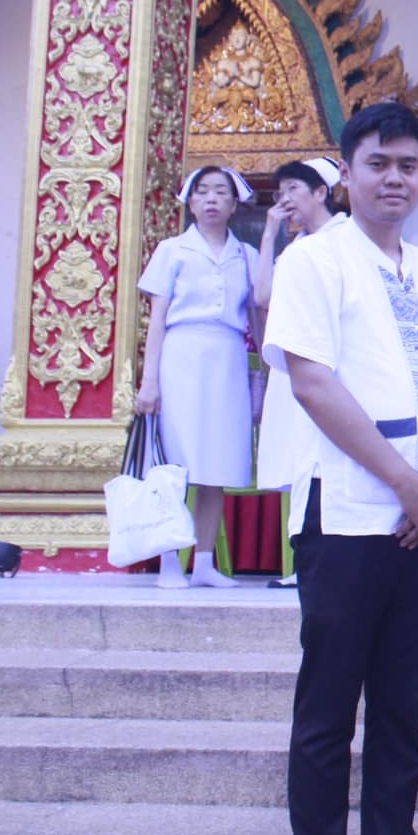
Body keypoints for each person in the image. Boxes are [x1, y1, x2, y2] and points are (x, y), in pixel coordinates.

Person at [266, 102, 418, 835]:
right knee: (329, 708)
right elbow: (313, 384)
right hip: (348, 512)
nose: (395, 177)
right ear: (346, 173)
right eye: (379, 162)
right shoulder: (314, 262)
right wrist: (405, 484)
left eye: (409, 165)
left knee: (402, 711)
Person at [134, 166, 259, 589]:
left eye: (220, 192)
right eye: (202, 192)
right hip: (182, 355)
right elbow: (157, 320)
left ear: (233, 203)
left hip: (226, 357)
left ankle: (203, 561)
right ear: (189, 202)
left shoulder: (247, 255)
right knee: (175, 461)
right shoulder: (173, 250)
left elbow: (258, 315)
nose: (211, 199)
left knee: (216, 462)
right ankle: (170, 559)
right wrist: (149, 380)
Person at [255, 158, 348, 560]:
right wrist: (270, 233)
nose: (285, 199)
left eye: (293, 189)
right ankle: (300, 558)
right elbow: (262, 298)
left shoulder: (344, 239)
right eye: (280, 193)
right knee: (298, 458)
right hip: (293, 362)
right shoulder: (298, 246)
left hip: (329, 366)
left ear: (321, 192)